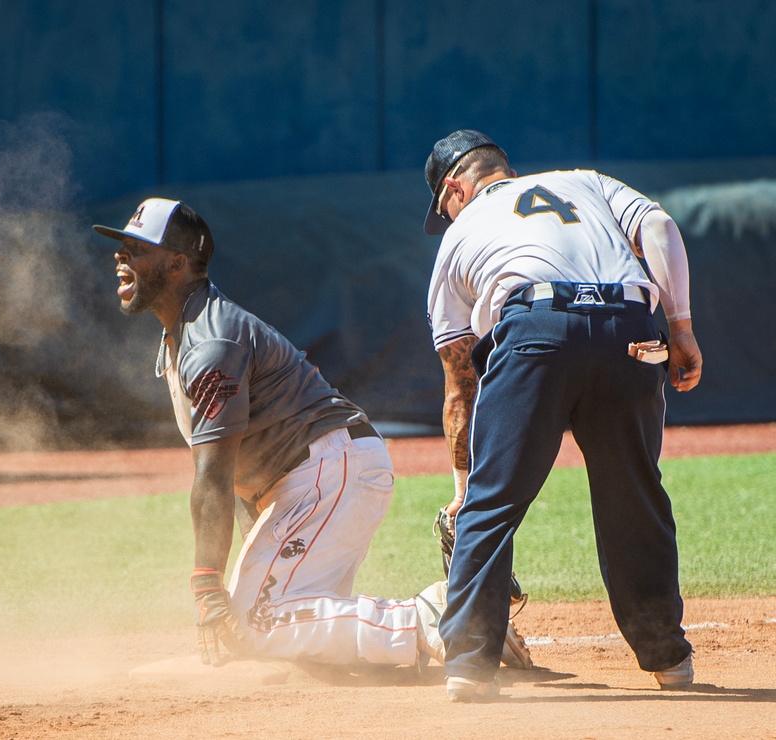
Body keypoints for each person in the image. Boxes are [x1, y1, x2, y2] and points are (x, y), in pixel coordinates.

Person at [93, 197, 533, 672]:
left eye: (137, 247)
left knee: (256, 622)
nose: (121, 255)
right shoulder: (185, 333)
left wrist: (207, 586)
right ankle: (437, 626)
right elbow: (243, 469)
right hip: (320, 476)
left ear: (177, 263)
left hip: (328, 472)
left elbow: (214, 475)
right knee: (282, 639)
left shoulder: (210, 342)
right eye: (123, 245)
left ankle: (437, 616)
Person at [420, 130, 703, 702]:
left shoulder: (457, 239)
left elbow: (460, 384)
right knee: (636, 495)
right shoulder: (584, 183)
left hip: (536, 328)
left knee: (493, 501)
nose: (446, 217)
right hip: (631, 326)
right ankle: (668, 659)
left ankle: (470, 667)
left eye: (443, 206)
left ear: (454, 187)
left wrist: (462, 489)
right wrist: (681, 327)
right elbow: (660, 228)